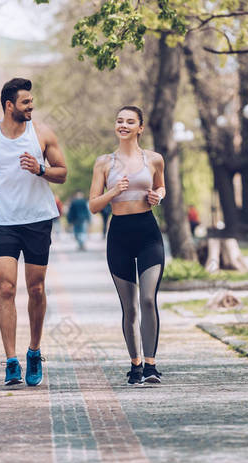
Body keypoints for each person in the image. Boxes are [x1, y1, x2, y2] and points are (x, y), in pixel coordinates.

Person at [0, 77, 67, 386]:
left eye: (31, 101)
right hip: (2, 219)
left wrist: (41, 169)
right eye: (26, 102)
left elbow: (62, 173)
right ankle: (11, 360)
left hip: (37, 219)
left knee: (36, 289)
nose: (32, 106)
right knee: (5, 288)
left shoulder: (41, 134)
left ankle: (34, 351)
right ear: (9, 105)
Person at [88, 105, 166, 386]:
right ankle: (134, 365)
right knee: (130, 307)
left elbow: (161, 187)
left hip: (148, 233)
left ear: (140, 128)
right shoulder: (104, 163)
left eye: (129, 121)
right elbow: (94, 205)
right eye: (119, 120)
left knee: (148, 299)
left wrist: (158, 195)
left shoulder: (154, 159)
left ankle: (151, 366)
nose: (123, 125)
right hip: (119, 235)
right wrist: (113, 191)